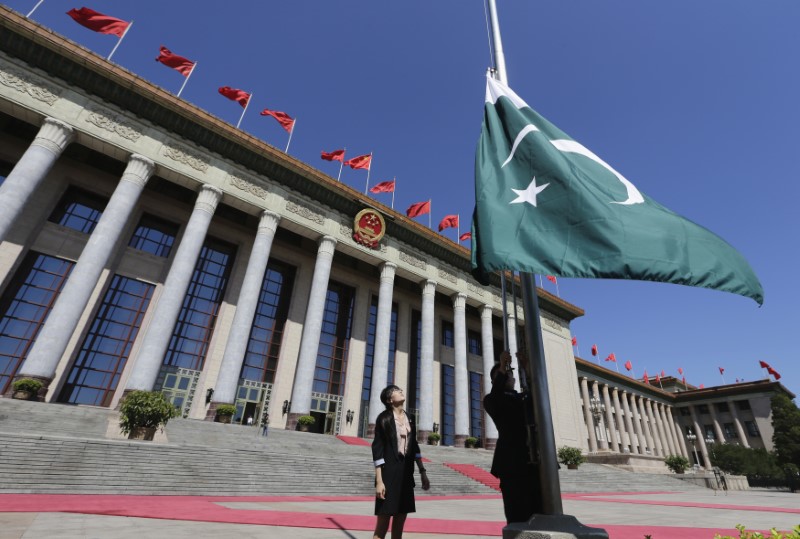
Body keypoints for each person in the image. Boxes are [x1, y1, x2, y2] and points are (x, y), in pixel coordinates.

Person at [484, 350, 541, 524]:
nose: (509, 375)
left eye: (510, 373)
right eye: (504, 374)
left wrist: (528, 369)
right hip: (512, 465)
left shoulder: (522, 397)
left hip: (534, 461)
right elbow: (496, 397)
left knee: (540, 513)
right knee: (518, 515)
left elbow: (539, 396)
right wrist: (502, 366)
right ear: (496, 381)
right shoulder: (492, 400)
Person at [371, 384, 430, 539]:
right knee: (382, 526)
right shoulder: (384, 419)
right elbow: (377, 449)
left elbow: (415, 447)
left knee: (399, 526)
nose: (401, 391)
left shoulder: (410, 418)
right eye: (397, 391)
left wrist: (422, 472)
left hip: (406, 476)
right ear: (390, 400)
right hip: (388, 475)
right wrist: (379, 481)